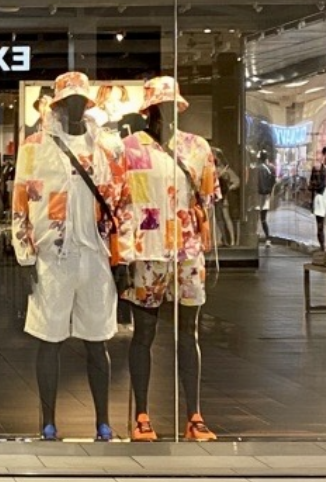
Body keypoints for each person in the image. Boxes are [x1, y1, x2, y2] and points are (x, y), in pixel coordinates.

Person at [10, 72, 123, 442]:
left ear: (87, 104)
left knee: (97, 340)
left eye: (80, 101)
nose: (74, 107)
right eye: (67, 101)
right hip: (52, 254)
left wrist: (121, 254)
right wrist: (25, 255)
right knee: (49, 338)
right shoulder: (35, 146)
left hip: (94, 253)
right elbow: (20, 202)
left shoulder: (105, 146)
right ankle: (47, 421)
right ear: (57, 104)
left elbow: (119, 201)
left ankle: (103, 421)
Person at [116, 76, 219, 442]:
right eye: (161, 106)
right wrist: (121, 255)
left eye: (173, 105)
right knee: (144, 332)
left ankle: (194, 414)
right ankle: (142, 415)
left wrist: (207, 244)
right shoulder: (129, 148)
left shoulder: (197, 147)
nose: (169, 112)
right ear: (150, 110)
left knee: (189, 332)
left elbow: (208, 199)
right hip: (146, 250)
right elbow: (119, 203)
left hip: (187, 250)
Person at [253, 150, 277, 245]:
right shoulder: (271, 168)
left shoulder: (257, 169)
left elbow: (254, 182)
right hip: (266, 195)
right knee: (263, 218)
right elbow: (274, 181)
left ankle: (255, 236)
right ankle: (267, 238)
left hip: (257, 195)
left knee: (255, 218)